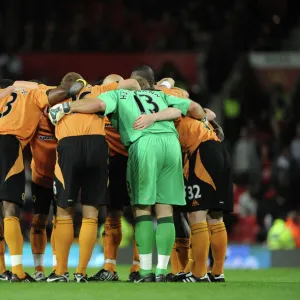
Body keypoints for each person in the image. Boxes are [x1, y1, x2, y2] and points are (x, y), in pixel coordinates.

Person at [49, 64, 207, 282]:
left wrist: (68, 108)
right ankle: (162, 271)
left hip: (143, 145)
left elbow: (96, 104)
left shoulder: (119, 94)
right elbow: (192, 108)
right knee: (165, 212)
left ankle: (144, 271)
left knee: (141, 210)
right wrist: (207, 121)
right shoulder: (162, 94)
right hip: (172, 146)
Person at [47, 73, 140, 283]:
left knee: (63, 214)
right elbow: (133, 83)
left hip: (69, 146)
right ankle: (81, 273)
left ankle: (60, 272)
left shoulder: (56, 96)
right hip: (98, 146)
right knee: (91, 214)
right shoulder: (100, 91)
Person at [0, 78, 85, 282]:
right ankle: (18, 272)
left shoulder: (4, 95)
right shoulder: (33, 93)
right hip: (9, 144)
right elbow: (69, 89)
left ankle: (2, 270)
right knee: (10, 209)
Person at [170, 108, 233, 283]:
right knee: (215, 216)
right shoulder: (194, 115)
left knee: (196, 214)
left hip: (203, 153)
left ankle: (199, 273)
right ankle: (217, 272)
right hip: (220, 151)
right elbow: (211, 113)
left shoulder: (171, 114)